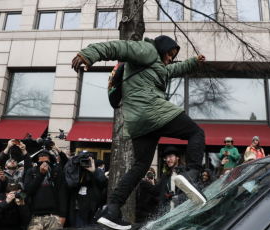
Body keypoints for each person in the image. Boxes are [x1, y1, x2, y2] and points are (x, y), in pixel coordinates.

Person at [72, 35, 207, 229]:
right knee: (196, 133)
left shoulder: (157, 66)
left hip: (137, 123)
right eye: (169, 54)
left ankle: (112, 209)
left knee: (141, 166)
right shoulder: (147, 50)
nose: (169, 58)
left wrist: (193, 62)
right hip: (152, 111)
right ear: (161, 48)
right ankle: (192, 175)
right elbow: (119, 47)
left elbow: (173, 69)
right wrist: (88, 54)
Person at [24, 150, 68, 230]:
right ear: (37, 162)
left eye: (46, 162)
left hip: (54, 216)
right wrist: (40, 174)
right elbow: (28, 191)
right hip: (35, 217)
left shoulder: (57, 171)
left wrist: (63, 215)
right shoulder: (31, 172)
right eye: (41, 162)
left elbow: (62, 194)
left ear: (50, 161)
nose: (44, 164)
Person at [64, 151, 108, 227]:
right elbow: (70, 183)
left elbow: (104, 182)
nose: (85, 163)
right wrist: (75, 166)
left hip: (92, 210)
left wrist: (94, 170)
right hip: (77, 210)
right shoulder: (75, 172)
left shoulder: (97, 172)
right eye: (83, 161)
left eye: (88, 161)